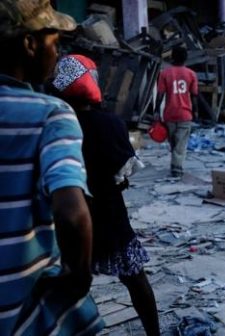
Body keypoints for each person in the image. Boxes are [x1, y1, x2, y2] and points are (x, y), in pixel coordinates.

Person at [0, 1, 103, 334]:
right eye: (55, 43)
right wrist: (78, 279)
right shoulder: (49, 114)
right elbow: (72, 213)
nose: (58, 54)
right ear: (30, 44)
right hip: (25, 314)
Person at [51, 54, 160, 336]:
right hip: (109, 217)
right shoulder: (109, 124)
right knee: (135, 278)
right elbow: (122, 174)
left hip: (65, 219)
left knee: (67, 283)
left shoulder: (53, 122)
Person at [156, 46, 199, 178]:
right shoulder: (191, 74)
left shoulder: (165, 73)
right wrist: (196, 112)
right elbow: (194, 95)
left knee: (173, 142)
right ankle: (177, 167)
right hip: (185, 114)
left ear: (172, 57)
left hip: (169, 114)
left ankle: (175, 164)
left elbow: (160, 95)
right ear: (186, 58)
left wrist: (156, 111)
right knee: (181, 143)